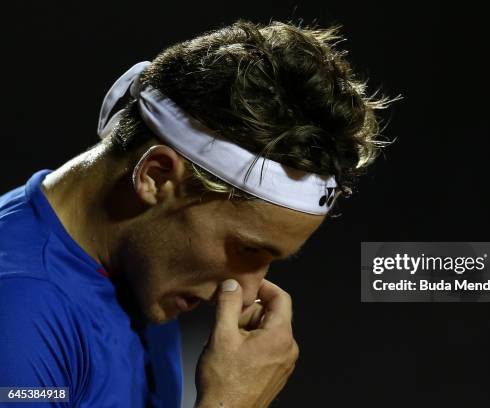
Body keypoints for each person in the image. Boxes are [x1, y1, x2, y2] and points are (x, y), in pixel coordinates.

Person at [0, 19, 396, 407]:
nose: (247, 293)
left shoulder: (136, 264)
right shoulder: (17, 315)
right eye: (245, 249)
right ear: (156, 177)